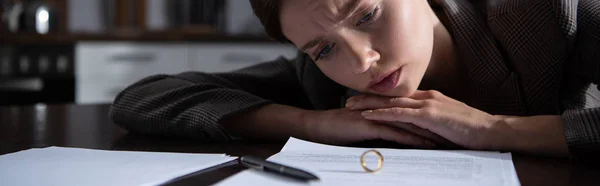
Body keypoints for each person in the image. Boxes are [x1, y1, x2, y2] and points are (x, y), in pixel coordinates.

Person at [109, 0, 600, 161]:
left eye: (366, 13)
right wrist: (310, 123)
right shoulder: (323, 85)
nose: (361, 61)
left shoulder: (552, 13)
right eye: (322, 48)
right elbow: (141, 98)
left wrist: (495, 130)